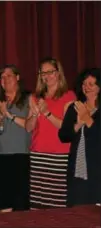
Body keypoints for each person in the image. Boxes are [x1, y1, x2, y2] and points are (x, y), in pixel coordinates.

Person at [25, 57, 76, 209]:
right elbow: (28, 128)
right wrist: (34, 114)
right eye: (43, 73)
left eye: (50, 72)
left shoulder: (69, 96)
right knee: (38, 203)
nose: (47, 76)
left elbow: (66, 128)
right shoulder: (35, 97)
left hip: (59, 155)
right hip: (38, 154)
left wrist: (47, 113)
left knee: (57, 203)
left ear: (58, 73)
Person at [0, 64, 31, 212]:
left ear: (17, 77)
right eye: (2, 77)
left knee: (20, 203)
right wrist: (1, 114)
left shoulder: (28, 99)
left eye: (9, 75)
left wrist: (10, 116)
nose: (5, 79)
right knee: (2, 203)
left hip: (20, 156)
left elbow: (29, 125)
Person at [58, 68, 100, 206]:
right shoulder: (75, 107)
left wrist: (88, 119)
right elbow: (63, 136)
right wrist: (78, 124)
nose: (86, 88)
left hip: (97, 171)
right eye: (84, 84)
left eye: (91, 84)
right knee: (77, 212)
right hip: (77, 171)